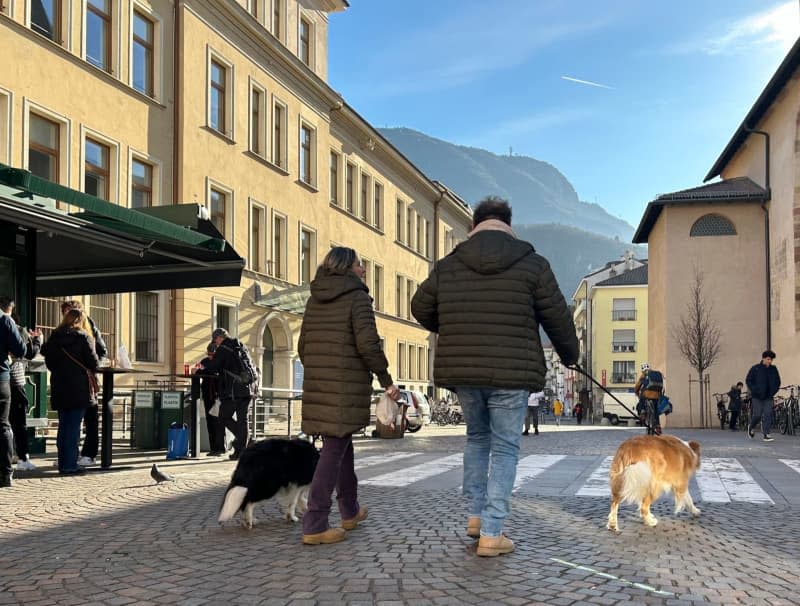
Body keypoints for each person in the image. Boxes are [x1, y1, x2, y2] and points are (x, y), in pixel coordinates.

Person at [411, 196, 578, 557]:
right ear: (508, 224)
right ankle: (492, 531)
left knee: (476, 439)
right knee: (504, 447)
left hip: (465, 371)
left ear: (474, 225)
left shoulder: (448, 265)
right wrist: (570, 356)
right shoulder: (533, 264)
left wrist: (452, 322)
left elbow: (419, 307)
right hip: (512, 372)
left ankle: (474, 516)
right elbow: (558, 319)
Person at [298, 246, 401, 545]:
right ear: (347, 267)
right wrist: (386, 380)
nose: (364, 270)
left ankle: (349, 510)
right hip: (345, 384)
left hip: (320, 382)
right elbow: (368, 344)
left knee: (340, 443)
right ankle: (315, 523)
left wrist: (322, 371)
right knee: (332, 451)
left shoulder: (313, 299)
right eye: (360, 264)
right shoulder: (357, 297)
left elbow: (303, 346)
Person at [41, 309, 100, 475]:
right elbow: (94, 363)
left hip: (59, 387)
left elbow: (49, 362)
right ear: (81, 321)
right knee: (74, 428)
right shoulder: (83, 337)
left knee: (64, 427)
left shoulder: (54, 338)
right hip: (79, 388)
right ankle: (69, 465)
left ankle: (63, 463)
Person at [60, 300, 107, 467]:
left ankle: (89, 453)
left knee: (90, 417)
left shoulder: (89, 328)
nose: (67, 316)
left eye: (70, 312)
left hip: (85, 380)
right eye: (65, 313)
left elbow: (101, 351)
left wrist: (91, 368)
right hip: (68, 381)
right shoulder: (62, 332)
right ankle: (69, 456)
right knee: (69, 421)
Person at [200, 328, 256, 460]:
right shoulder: (241, 345)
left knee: (223, 417)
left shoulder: (223, 348)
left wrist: (203, 367)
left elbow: (214, 367)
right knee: (243, 420)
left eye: (215, 341)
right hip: (248, 388)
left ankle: (243, 442)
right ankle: (241, 448)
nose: (216, 344)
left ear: (219, 337)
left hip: (233, 391)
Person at [8, 313, 42, 471]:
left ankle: (9, 455)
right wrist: (37, 340)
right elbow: (29, 353)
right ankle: (22, 457)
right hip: (15, 380)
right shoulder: (18, 330)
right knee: (19, 422)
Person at [0, 296, 25, 487]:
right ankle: (6, 473)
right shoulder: (5, 319)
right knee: (3, 425)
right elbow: (20, 349)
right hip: (1, 377)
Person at [746, 350, 781, 442]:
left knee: (768, 414)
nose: (770, 361)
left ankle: (766, 434)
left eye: (771, 360)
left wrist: (773, 391)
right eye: (768, 359)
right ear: (763, 358)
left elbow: (778, 382)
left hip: (768, 397)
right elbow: (748, 380)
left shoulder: (773, 369)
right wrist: (755, 390)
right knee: (757, 415)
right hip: (757, 396)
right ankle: (751, 427)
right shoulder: (755, 368)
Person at [199, 342, 225, 456]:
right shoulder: (204, 361)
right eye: (209, 354)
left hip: (218, 396)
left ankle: (220, 448)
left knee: (219, 422)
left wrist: (203, 371)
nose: (210, 356)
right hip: (207, 395)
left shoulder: (221, 362)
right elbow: (200, 370)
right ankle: (213, 448)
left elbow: (214, 372)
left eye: (212, 354)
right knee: (210, 422)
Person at [634, 362, 663, 435]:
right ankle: (658, 425)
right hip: (657, 396)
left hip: (647, 395)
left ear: (642, 370)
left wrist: (636, 392)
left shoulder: (644, 374)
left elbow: (638, 385)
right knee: (656, 410)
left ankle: (643, 412)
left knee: (641, 397)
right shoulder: (656, 374)